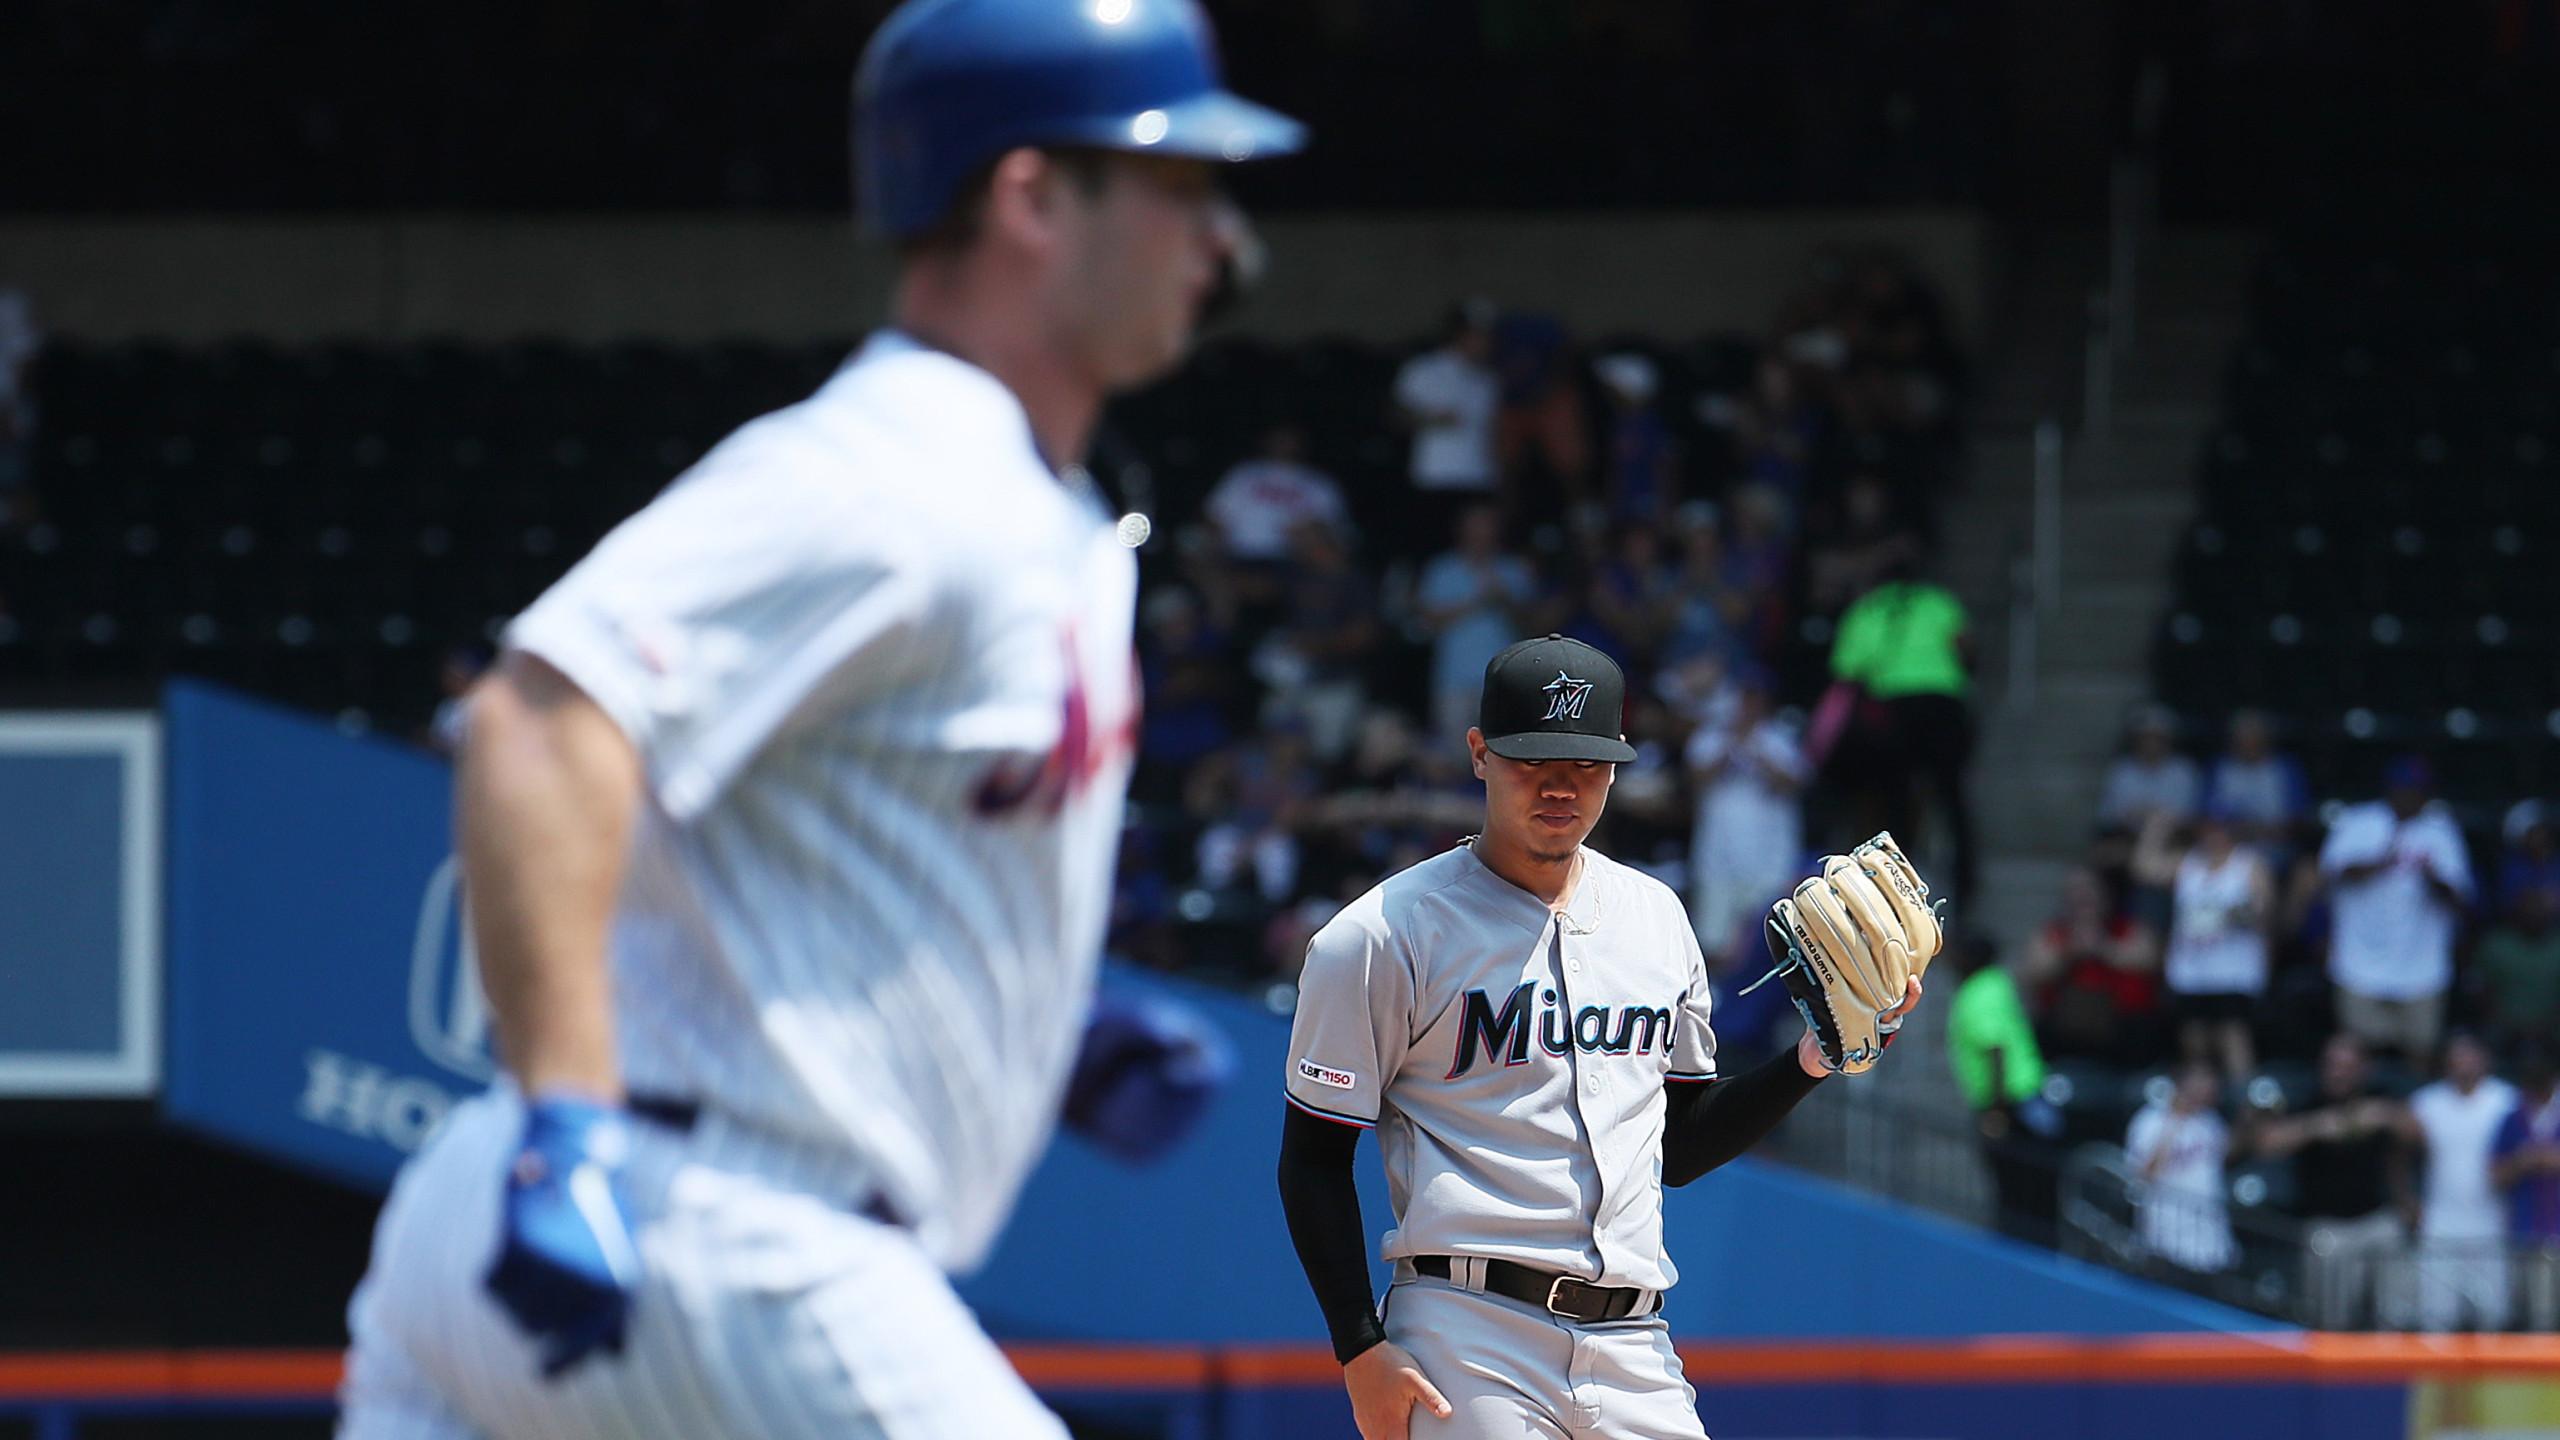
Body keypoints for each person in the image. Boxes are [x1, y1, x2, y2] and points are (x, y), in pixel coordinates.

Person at [335, 4, 1304, 1437]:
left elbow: (786, 828)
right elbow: (539, 723)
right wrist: (569, 1128)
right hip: (721, 1224)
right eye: (1175, 185)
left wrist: (1040, 1015)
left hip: (550, 1219)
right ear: (1031, 196)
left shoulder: (1029, 501)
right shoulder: (897, 473)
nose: (1219, 240)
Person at [1276, 634, 1924, 1440]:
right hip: (1467, 1334)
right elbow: (1312, 1156)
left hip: (1636, 1343)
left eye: (1586, 763)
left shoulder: (1656, 918)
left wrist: (1811, 1060)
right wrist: (1358, 1346)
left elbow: (1677, 1148)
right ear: (1479, 753)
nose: (1561, 785)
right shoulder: (1378, 936)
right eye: (1533, 759)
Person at [1824, 554, 1976, 903]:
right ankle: (1965, 880)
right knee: (1951, 797)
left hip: (1893, 711)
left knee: (1894, 800)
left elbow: (1846, 669)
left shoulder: (1868, 608)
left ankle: (1897, 884)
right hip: (1942, 705)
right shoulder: (1938, 602)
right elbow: (1967, 649)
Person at [2254, 1034, 2419, 1330]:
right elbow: (2267, 1143)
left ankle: (2394, 1369)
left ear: (2364, 1069)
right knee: (2330, 1320)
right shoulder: (2308, 1099)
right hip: (2328, 1228)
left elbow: (2416, 1136)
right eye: (2332, 1064)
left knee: (2397, 1315)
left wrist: (2385, 1115)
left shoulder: (2380, 1098)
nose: (2338, 1072)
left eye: (2347, 1065)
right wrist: (2316, 1127)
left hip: (2376, 1220)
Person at [2320, 756, 2474, 1064]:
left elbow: (2461, 899)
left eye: (2417, 791)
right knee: (2357, 1055)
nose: (2410, 797)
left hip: (2422, 968)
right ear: (2390, 789)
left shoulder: (2440, 831)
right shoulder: (2358, 821)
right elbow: (2332, 872)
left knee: (2419, 1056)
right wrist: (2380, 862)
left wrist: (2432, 878)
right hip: (2359, 963)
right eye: (2404, 789)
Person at [2133, 805, 2273, 1089]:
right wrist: (2156, 830)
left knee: (2232, 1037)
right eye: (2210, 827)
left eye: (2221, 828)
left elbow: (2264, 909)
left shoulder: (2248, 865)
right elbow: (2143, 869)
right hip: (2191, 971)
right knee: (2194, 1042)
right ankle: (2198, 1105)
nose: (2215, 835)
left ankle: (2242, 1102)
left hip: (2233, 971)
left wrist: (2223, 915)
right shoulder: (2188, 863)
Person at [1682, 665, 1808, 961]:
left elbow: (1792, 783)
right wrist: (1731, 744)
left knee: (1767, 947)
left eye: (1754, 698)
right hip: (1717, 859)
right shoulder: (1710, 737)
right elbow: (1695, 779)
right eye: (1743, 697)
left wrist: (1756, 749)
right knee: (1712, 945)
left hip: (1769, 863)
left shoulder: (1781, 737)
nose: (1748, 705)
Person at [1946, 933, 2060, 1245]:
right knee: (2032, 1184)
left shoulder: (1978, 992)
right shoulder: (1997, 982)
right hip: (2025, 1096)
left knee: (2017, 1185)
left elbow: (1995, 1049)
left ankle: (2021, 1244)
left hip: (2010, 1104)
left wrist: (1996, 1112)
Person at [2407, 1031, 2517, 1332]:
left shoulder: (2506, 1100)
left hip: (2491, 1221)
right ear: (2446, 1062)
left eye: (2470, 1055)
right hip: (2441, 1223)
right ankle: (2434, 1379)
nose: (2463, 1063)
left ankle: (2494, 1378)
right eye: (2457, 1057)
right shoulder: (2426, 1102)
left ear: (2485, 1059)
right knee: (2436, 1317)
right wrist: (2405, 1199)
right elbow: (2397, 1153)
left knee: (2493, 1316)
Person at [1415, 501, 1539, 745]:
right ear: (1462, 529)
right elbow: (1427, 621)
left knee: (1502, 754)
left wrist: (1506, 602)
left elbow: (1532, 626)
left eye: (1489, 524)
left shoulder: (1514, 569)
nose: (1483, 530)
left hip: (1503, 681)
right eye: (1477, 524)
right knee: (1455, 754)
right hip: (1454, 680)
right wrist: (1477, 602)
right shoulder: (1442, 569)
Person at [1392, 298, 1502, 542]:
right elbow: (1396, 417)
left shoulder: (1488, 380)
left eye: (1488, 335)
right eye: (1476, 334)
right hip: (1436, 478)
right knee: (1434, 544)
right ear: (1459, 335)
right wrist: (1428, 419)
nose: (1484, 342)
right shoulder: (1424, 369)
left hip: (1480, 478)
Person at [2125, 1060, 2240, 1275]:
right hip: (2165, 1242)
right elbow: (2143, 1175)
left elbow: (2229, 1155)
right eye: (2200, 1081)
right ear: (2182, 1083)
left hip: (2211, 1242)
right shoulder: (2150, 1120)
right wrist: (2175, 1120)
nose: (2206, 1088)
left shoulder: (2211, 1121)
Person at [1204, 421, 1351, 567]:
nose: (1284, 444)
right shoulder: (1244, 474)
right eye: (1279, 438)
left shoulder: (1319, 483)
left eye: (1290, 439)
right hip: (1239, 553)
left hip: (1296, 557)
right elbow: (1215, 516)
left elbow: (1334, 528)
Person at [2493, 1049, 2560, 1329]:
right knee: (2539, 1316)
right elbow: (2496, 1175)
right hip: (2529, 1229)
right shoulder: (2514, 1117)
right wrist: (2522, 1161)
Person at [2204, 709, 2309, 850]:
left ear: (2267, 739)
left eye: (2255, 738)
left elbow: (2299, 819)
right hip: (2227, 846)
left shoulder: (2285, 768)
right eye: (2242, 739)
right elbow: (2205, 817)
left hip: (2276, 846)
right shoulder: (2220, 768)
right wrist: (2239, 829)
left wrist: (2265, 831)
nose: (2249, 744)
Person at [2476, 885, 2560, 1047]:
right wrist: (2506, 1020)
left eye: (2539, 912)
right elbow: (2480, 989)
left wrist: (2546, 1023)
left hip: (2551, 1025)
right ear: (2517, 913)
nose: (2534, 917)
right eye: (2529, 912)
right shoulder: (2497, 944)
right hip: (2503, 1023)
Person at [2098, 705, 2203, 831]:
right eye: (2145, 738)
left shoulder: (2183, 770)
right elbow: (2113, 815)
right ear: (2135, 740)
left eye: (2157, 738)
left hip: (2174, 836)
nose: (2151, 743)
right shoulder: (2122, 770)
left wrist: (2155, 817)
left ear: (2168, 740)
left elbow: (2187, 814)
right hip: (2127, 836)